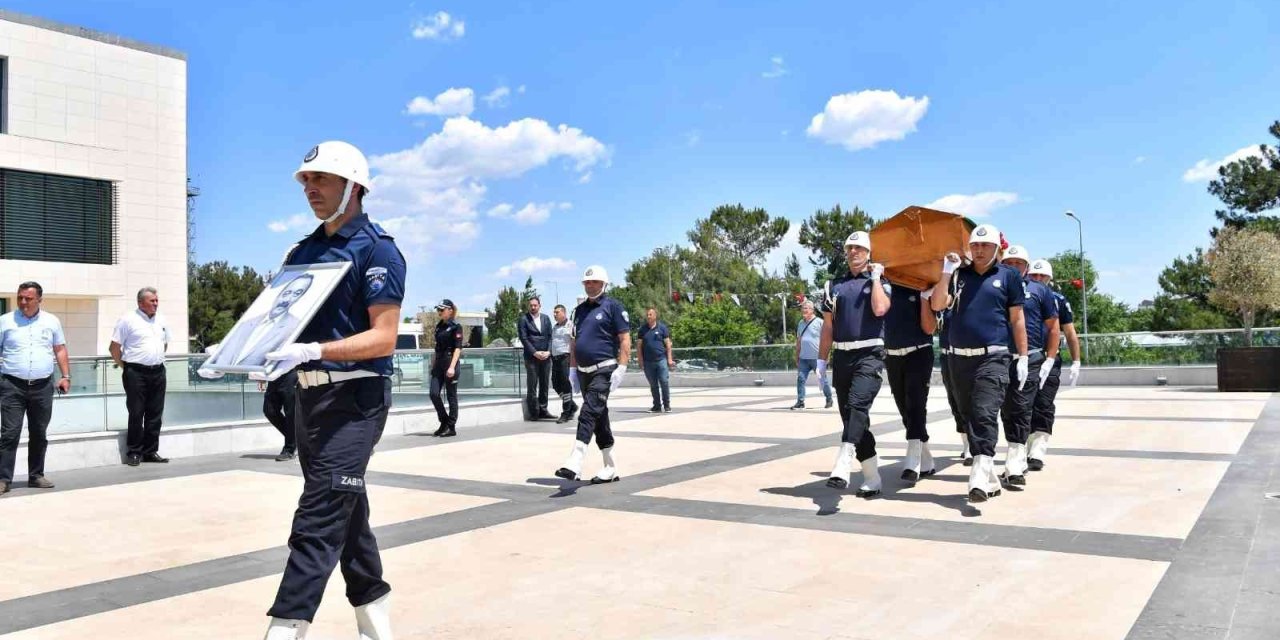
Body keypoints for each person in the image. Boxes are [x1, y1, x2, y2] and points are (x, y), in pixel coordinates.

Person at [254, 140, 406, 639]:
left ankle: (284, 629)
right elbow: (282, 320)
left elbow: (383, 336)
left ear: (354, 187)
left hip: (356, 401)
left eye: (321, 180)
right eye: (306, 181)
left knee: (318, 515)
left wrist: (316, 350)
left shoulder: (378, 250)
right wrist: (260, 352)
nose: (310, 189)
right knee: (346, 508)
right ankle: (376, 624)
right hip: (310, 400)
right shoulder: (303, 251)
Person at [929, 224, 1028, 503]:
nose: (979, 250)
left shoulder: (1008, 277)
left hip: (994, 356)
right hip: (960, 359)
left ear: (997, 249)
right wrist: (946, 272)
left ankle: (979, 474)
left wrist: (1022, 356)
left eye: (985, 245)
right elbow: (937, 304)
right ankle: (991, 478)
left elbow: (1017, 319)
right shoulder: (958, 275)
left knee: (984, 411)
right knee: (969, 415)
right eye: (975, 245)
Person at [822, 231, 891, 498]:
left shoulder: (881, 282)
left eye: (859, 248)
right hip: (842, 356)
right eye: (850, 248)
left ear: (869, 252)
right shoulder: (834, 285)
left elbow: (880, 309)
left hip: (870, 353)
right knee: (853, 417)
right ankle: (872, 478)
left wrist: (875, 278)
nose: (854, 252)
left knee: (858, 405)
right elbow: (828, 325)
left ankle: (843, 459)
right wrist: (820, 359)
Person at [554, 265, 631, 484]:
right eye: (587, 282)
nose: (590, 285)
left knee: (588, 412)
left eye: (594, 282)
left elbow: (625, 338)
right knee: (599, 418)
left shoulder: (613, 307)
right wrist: (572, 369)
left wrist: (622, 367)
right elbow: (574, 342)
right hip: (583, 372)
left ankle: (575, 460)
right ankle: (610, 467)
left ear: (603, 284)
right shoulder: (578, 311)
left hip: (604, 369)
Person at [996, 246, 1059, 490]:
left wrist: (1050, 359)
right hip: (999, 358)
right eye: (1009, 262)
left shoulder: (1039, 291)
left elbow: (1054, 328)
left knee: (1021, 407)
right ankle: (1017, 453)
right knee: (1005, 409)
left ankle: (1014, 463)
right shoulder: (994, 287)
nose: (1013, 266)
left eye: (1019, 263)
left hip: (1031, 358)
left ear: (1026, 267)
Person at [0, 282, 71, 495]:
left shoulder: (52, 321)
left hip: (42, 386)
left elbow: (59, 349)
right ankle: (3, 479)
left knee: (39, 433)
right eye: (20, 297)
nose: (23, 302)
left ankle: (36, 476)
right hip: (12, 385)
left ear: (39, 299)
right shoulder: (5, 321)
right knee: (9, 434)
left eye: (28, 298)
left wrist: (66, 376)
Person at [1027, 259, 1082, 471]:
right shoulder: (1022, 296)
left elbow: (1069, 332)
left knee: (1044, 403)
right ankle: (1026, 446)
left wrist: (1076, 360)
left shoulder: (1058, 300)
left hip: (1050, 358)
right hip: (1026, 357)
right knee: (1024, 405)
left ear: (1050, 278)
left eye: (1043, 276)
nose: (1038, 279)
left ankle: (1038, 449)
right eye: (1034, 276)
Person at [109, 287, 171, 467]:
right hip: (136, 372)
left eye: (157, 300)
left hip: (158, 371)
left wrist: (156, 358)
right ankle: (134, 452)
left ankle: (150, 451)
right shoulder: (127, 320)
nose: (156, 304)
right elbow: (114, 348)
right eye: (152, 301)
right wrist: (126, 367)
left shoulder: (162, 320)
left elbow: (164, 343)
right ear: (140, 302)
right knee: (136, 412)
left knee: (155, 413)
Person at [883, 284, 938, 484]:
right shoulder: (883, 288)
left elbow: (930, 328)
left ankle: (912, 460)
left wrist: (924, 298)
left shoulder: (920, 286)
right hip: (892, 356)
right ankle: (927, 460)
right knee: (904, 409)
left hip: (919, 351)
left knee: (916, 404)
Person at [207, 273, 313, 368]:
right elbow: (226, 357)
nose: (287, 300)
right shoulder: (246, 323)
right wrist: (216, 361)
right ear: (279, 293)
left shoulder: (295, 326)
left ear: (300, 297)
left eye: (296, 294)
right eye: (287, 293)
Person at [937, 305, 972, 466]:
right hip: (947, 356)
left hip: (969, 357)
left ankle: (975, 445)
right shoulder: (941, 301)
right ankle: (967, 443)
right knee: (955, 401)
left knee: (974, 402)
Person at [429, 299, 464, 438]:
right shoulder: (439, 326)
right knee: (433, 393)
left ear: (450, 310)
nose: (439, 312)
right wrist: (433, 364)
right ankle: (444, 421)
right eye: (438, 309)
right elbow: (437, 347)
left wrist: (452, 367)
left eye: (441, 309)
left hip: (451, 362)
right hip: (439, 363)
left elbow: (458, 348)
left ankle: (451, 426)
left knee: (451, 396)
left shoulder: (456, 326)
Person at [791, 300, 833, 410]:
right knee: (800, 379)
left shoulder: (819, 322)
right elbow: (799, 341)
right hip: (803, 358)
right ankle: (800, 401)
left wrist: (826, 356)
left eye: (805, 308)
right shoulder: (801, 323)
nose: (803, 311)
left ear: (811, 310)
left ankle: (829, 398)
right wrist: (797, 356)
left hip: (817, 358)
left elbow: (826, 339)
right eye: (802, 309)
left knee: (822, 380)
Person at [517, 297, 554, 421]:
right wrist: (534, 352)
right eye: (531, 305)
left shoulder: (546, 318)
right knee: (532, 385)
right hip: (531, 358)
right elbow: (524, 338)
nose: (533, 307)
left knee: (544, 384)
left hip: (546, 357)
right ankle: (534, 412)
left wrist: (549, 351)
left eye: (535, 305)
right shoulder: (523, 319)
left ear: (539, 305)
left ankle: (543, 410)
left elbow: (550, 337)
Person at [636, 307, 673, 413]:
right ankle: (656, 406)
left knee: (664, 382)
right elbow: (639, 346)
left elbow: (668, 345)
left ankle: (667, 405)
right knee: (653, 385)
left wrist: (669, 359)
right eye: (647, 314)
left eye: (650, 314)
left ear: (655, 316)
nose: (648, 316)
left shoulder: (662, 328)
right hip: (648, 362)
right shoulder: (642, 330)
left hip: (661, 360)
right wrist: (640, 360)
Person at [260, 368, 298, 461]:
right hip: (274, 374)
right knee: (269, 411)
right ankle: (297, 439)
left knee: (291, 414)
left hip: (292, 373)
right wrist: (261, 375)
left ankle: (289, 450)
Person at [549, 304, 578, 424]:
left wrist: (573, 362)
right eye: (554, 312)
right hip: (555, 358)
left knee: (566, 386)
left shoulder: (571, 325)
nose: (555, 315)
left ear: (564, 313)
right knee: (555, 384)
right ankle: (572, 405)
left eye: (557, 312)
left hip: (566, 358)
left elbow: (574, 343)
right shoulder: (555, 327)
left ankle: (566, 412)